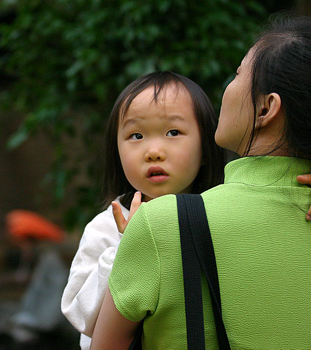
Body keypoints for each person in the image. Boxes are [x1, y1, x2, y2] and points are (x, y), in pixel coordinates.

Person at [91, 16, 311, 349]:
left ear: (266, 108)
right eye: (136, 135)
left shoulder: (160, 224)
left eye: (238, 74)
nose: (154, 151)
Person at [61, 71, 226, 350]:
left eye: (173, 132)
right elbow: (81, 315)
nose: (153, 151)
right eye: (136, 135)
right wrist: (129, 246)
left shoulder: (220, 214)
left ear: (206, 144)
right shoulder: (105, 228)